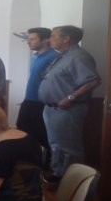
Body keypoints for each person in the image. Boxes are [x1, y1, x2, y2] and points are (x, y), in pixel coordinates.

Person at [38, 25, 100, 184]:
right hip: (51, 108)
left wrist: (70, 98)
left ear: (66, 39)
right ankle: (58, 175)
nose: (50, 39)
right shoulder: (63, 55)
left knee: (70, 149)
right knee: (56, 145)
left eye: (53, 36)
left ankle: (73, 183)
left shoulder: (79, 56)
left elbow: (93, 80)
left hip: (67, 109)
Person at [15, 28, 58, 169]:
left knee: (41, 134)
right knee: (22, 128)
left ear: (45, 40)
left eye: (32, 39)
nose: (29, 41)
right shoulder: (36, 57)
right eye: (29, 38)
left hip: (41, 102)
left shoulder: (53, 57)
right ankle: (31, 162)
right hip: (30, 99)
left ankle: (47, 165)